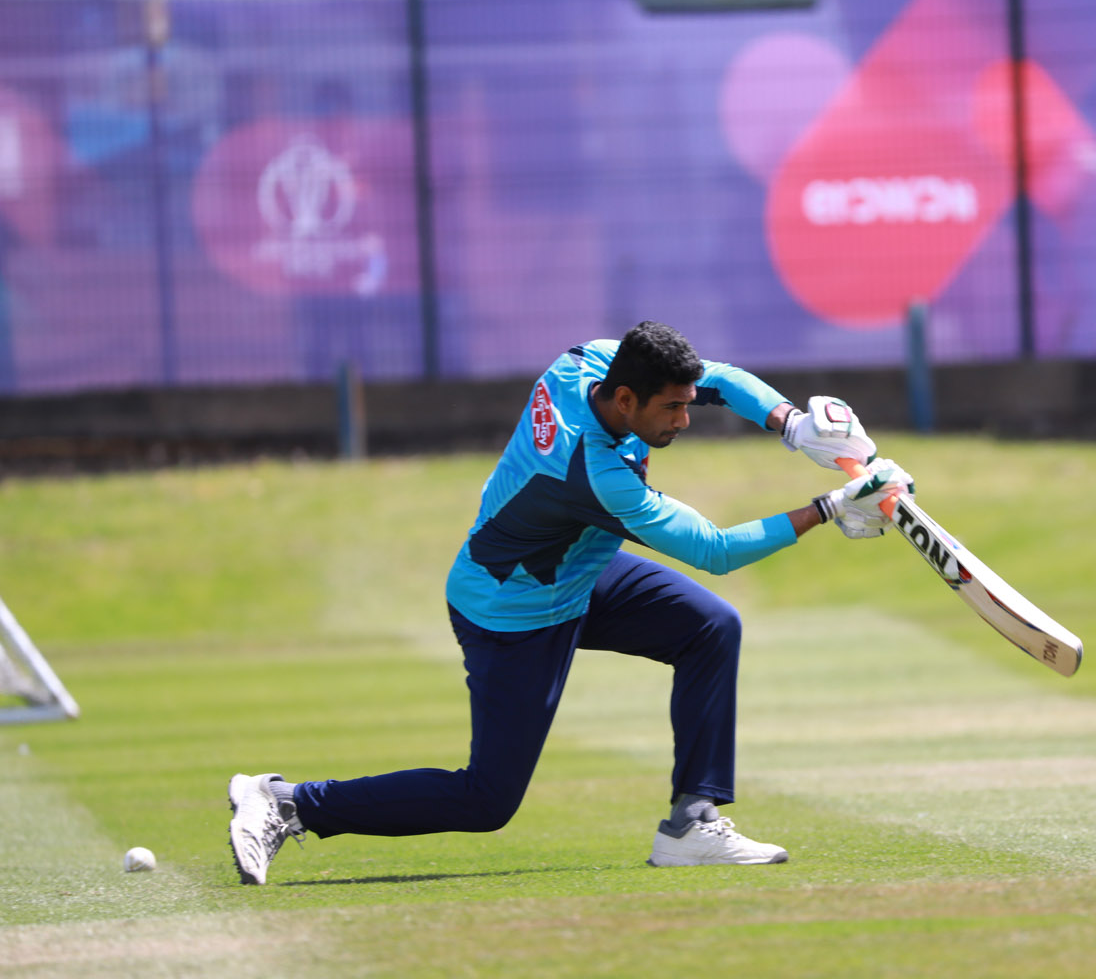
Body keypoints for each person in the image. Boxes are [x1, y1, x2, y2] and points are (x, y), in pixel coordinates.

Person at [227, 321, 912, 883]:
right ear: (624, 402)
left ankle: (691, 825)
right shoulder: (596, 471)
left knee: (709, 629)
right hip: (511, 613)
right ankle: (287, 803)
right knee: (487, 800)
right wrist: (828, 508)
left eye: (684, 403)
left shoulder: (590, 363)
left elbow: (720, 379)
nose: (686, 418)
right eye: (672, 409)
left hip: (572, 574)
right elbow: (714, 550)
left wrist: (791, 424)